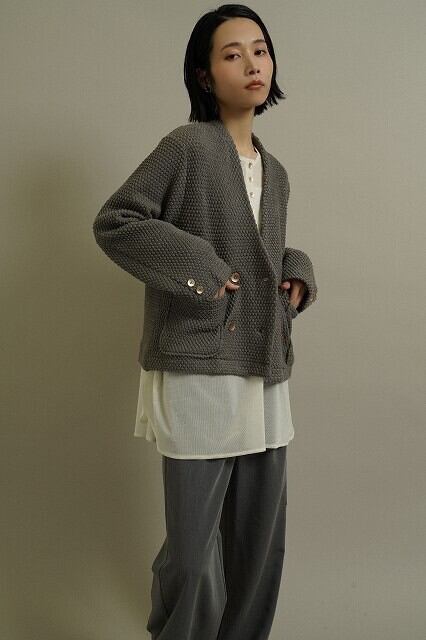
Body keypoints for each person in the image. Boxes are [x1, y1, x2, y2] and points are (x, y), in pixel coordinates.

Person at [93, 5, 318, 639]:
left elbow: (259, 249)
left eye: (260, 50)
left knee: (257, 549)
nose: (252, 64)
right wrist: (200, 269)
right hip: (198, 365)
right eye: (232, 54)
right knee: (194, 558)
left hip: (263, 366)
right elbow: (117, 222)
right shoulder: (187, 146)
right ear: (204, 75)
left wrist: (295, 270)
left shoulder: (276, 172)